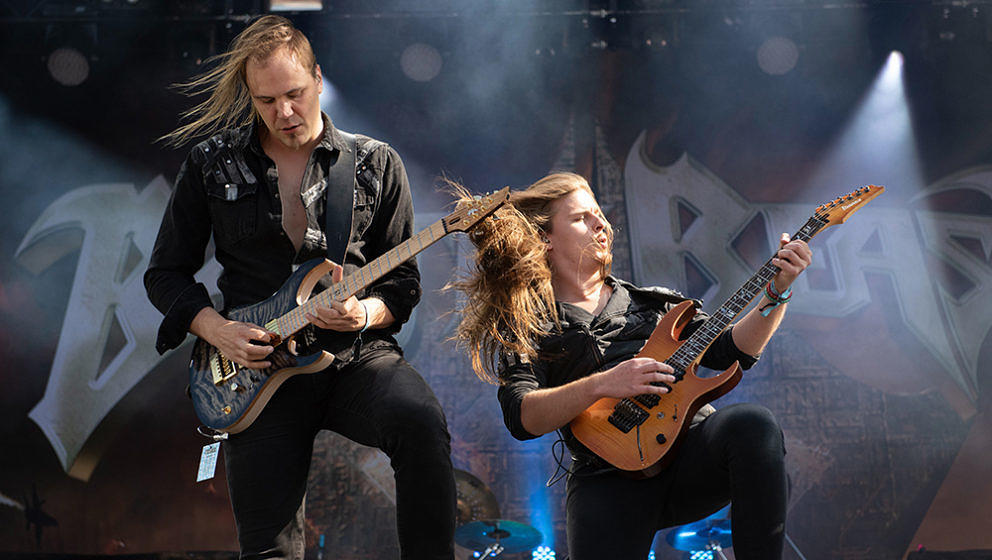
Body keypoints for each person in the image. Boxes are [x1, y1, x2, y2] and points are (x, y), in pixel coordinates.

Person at [144, 15, 455, 560]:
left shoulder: (375, 164)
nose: (284, 113)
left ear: (318, 78)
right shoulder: (212, 164)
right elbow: (165, 274)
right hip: (254, 370)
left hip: (355, 356)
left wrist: (363, 314)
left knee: (421, 423)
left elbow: (402, 283)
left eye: (295, 94)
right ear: (249, 96)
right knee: (270, 549)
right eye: (267, 101)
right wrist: (219, 332)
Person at [451, 172, 811, 560]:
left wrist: (779, 290)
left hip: (690, 452)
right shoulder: (528, 325)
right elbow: (522, 418)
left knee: (753, 425)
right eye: (581, 218)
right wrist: (602, 384)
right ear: (546, 239)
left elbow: (735, 349)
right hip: (605, 480)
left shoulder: (656, 306)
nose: (600, 223)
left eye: (599, 214)